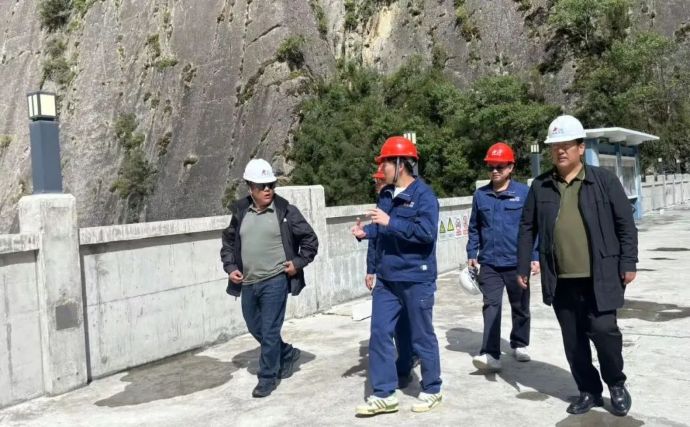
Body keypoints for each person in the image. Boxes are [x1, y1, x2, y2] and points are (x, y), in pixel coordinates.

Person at [517, 115, 637, 416]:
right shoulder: (541, 186)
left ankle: (616, 384)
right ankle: (589, 391)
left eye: (566, 145)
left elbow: (625, 224)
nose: (560, 151)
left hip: (601, 275)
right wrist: (522, 265)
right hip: (561, 279)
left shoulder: (603, 181)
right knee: (573, 341)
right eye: (555, 146)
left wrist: (628, 261)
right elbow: (527, 228)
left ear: (580, 148)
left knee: (605, 332)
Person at [351, 136, 442, 416]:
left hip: (416, 278)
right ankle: (384, 394)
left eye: (385, 163)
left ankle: (432, 389)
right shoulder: (386, 195)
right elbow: (383, 230)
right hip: (388, 280)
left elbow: (426, 234)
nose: (382, 169)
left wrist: (391, 222)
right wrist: (366, 232)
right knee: (379, 332)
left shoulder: (424, 196)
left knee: (421, 337)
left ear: (400, 164)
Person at [220, 158, 319, 398]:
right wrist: (230, 267)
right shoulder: (240, 212)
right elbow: (229, 243)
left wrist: (297, 263)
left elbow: (310, 240)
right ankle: (287, 353)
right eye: (262, 186)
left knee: (270, 329)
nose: (268, 190)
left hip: (275, 280)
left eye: (271, 185)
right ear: (250, 187)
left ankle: (267, 377)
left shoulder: (285, 211)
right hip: (248, 282)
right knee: (255, 327)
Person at [467, 142, 539, 373]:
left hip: (518, 262)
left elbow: (533, 227)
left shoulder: (524, 194)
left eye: (500, 166)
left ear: (510, 168)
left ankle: (520, 343)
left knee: (520, 306)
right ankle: (490, 353)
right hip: (489, 263)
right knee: (491, 306)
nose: (495, 170)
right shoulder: (481, 195)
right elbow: (474, 227)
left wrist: (535, 256)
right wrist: (472, 252)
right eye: (491, 166)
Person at [365, 164, 416, 390]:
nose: (377, 184)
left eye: (380, 180)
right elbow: (375, 241)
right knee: (385, 327)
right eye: (376, 180)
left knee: (406, 324)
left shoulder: (412, 197)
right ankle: (388, 383)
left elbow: (418, 233)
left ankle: (407, 363)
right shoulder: (384, 200)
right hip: (385, 272)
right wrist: (371, 269)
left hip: (406, 272)